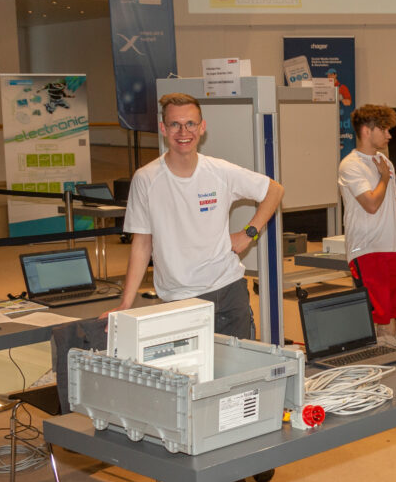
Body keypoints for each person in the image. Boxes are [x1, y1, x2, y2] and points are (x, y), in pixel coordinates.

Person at [111, 92, 283, 340]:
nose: (183, 132)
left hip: (228, 292)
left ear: (202, 127)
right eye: (175, 124)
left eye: (190, 123)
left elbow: (274, 191)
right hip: (178, 298)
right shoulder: (146, 179)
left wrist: (249, 234)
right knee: (188, 374)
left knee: (238, 372)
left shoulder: (219, 171)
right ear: (163, 128)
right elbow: (142, 244)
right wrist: (126, 303)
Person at [337, 104, 396, 345]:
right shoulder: (350, 165)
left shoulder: (386, 162)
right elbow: (371, 204)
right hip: (366, 250)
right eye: (384, 129)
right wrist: (383, 177)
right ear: (366, 130)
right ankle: (382, 366)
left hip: (391, 250)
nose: (389, 135)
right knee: (380, 319)